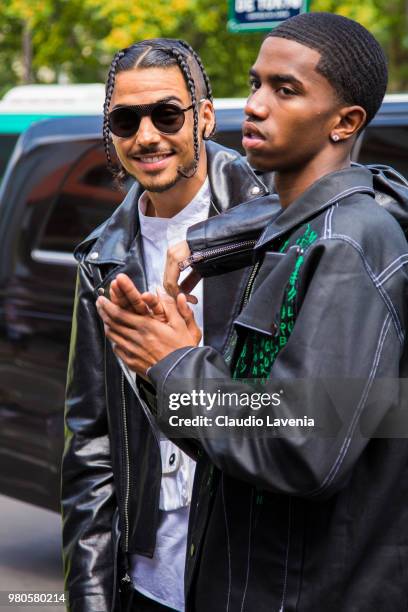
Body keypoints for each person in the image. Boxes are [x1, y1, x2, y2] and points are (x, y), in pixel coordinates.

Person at [96, 13, 408, 611]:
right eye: (255, 83)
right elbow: (255, 431)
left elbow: (301, 443)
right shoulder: (292, 238)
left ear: (346, 122)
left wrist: (179, 367)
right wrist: (185, 369)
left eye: (285, 90)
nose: (256, 105)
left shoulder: (347, 245)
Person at [61, 38, 275, 612]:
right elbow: (92, 444)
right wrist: (90, 596)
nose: (147, 135)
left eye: (167, 113)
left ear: (204, 116)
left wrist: (179, 361)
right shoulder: (102, 258)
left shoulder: (281, 225)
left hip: (246, 575)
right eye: (125, 120)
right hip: (148, 579)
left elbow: (315, 419)